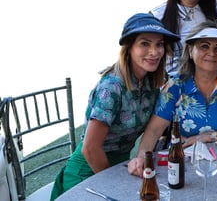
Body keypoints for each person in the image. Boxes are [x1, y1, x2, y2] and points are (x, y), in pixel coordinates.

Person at [50, 13, 180, 200]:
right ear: (129, 48)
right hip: (89, 169)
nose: (154, 51)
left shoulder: (152, 84)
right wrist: (112, 183)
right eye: (144, 43)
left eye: (159, 44)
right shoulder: (112, 87)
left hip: (122, 167)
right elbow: (91, 149)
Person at [128, 20, 217, 177]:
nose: (211, 52)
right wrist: (141, 158)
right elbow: (154, 130)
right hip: (180, 165)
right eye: (204, 46)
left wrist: (207, 137)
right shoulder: (175, 86)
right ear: (190, 51)